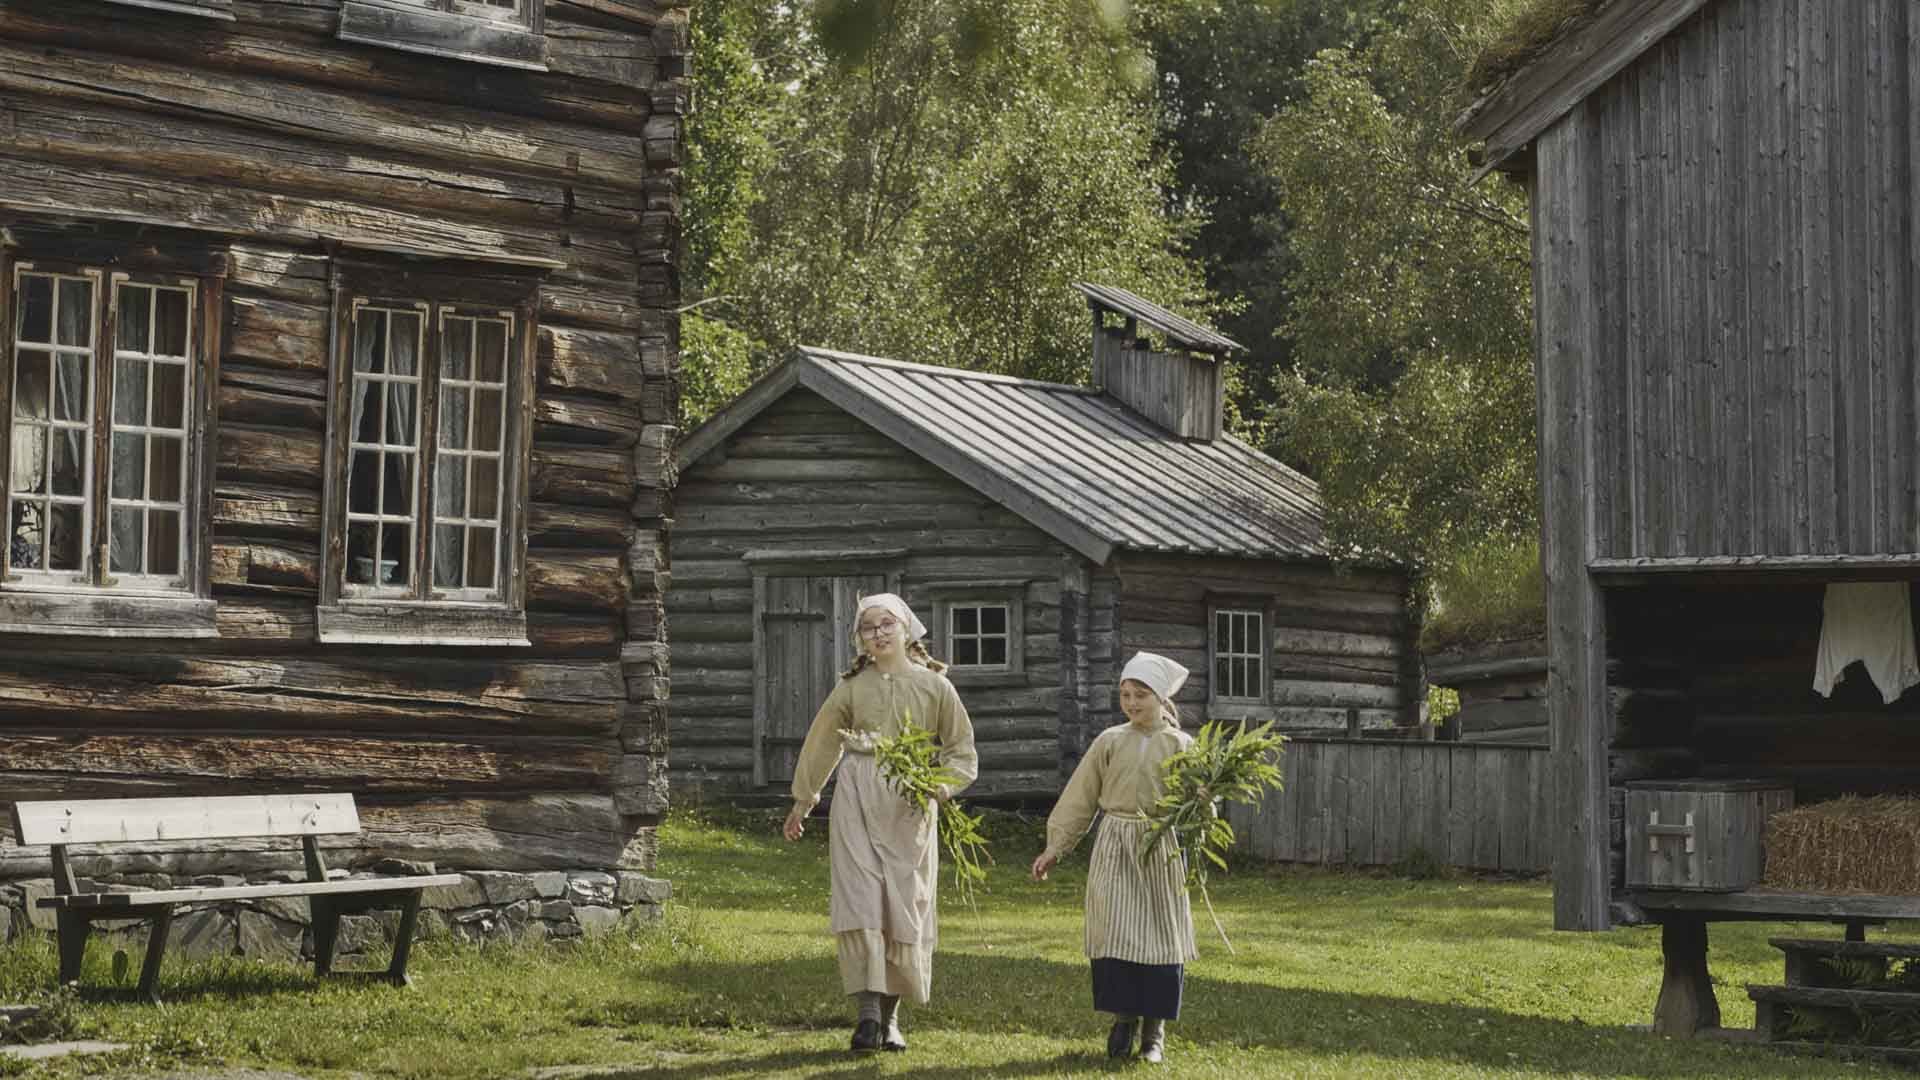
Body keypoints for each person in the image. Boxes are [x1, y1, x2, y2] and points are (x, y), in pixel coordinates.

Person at [782, 592, 978, 1054]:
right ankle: (867, 1015)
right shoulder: (852, 687)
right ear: (860, 638)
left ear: (905, 627)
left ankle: (891, 1020)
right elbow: (821, 744)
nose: (878, 633)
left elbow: (961, 748)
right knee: (862, 901)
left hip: (909, 802)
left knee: (901, 904)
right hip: (857, 795)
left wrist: (942, 785)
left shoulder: (935, 687)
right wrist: (803, 801)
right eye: (869, 627)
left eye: (886, 623)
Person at [1030, 651, 1197, 1064]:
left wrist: (1204, 802)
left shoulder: (1182, 745)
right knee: (1116, 932)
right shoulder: (1110, 741)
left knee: (1161, 938)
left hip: (1159, 845)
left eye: (1141, 694)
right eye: (1125, 694)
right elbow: (1081, 796)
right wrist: (1056, 846)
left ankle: (1154, 1033)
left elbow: (1199, 803)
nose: (1132, 702)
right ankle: (1124, 1020)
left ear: (1160, 697)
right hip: (1116, 843)